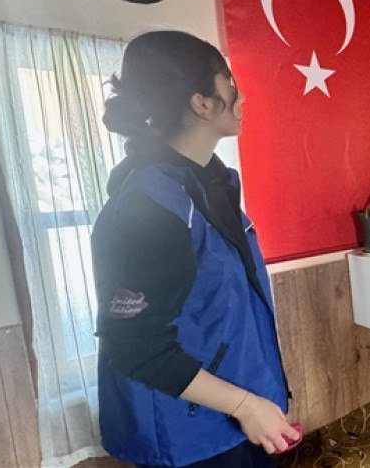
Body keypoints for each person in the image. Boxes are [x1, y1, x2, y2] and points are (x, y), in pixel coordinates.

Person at [92, 31, 300, 467]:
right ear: (201, 103)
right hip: (189, 439)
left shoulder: (206, 184)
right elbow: (133, 346)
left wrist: (255, 402)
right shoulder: (148, 208)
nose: (241, 98)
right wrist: (246, 406)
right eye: (230, 84)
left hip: (235, 421)